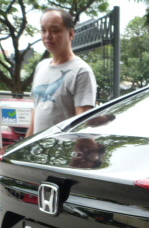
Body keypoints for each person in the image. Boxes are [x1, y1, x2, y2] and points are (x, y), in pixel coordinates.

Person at [26, 8, 97, 137]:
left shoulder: (81, 71)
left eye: (54, 31)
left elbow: (82, 124)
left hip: (62, 149)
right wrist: (26, 143)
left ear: (71, 34)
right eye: (43, 30)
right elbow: (36, 112)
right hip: (38, 147)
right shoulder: (41, 66)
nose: (48, 36)